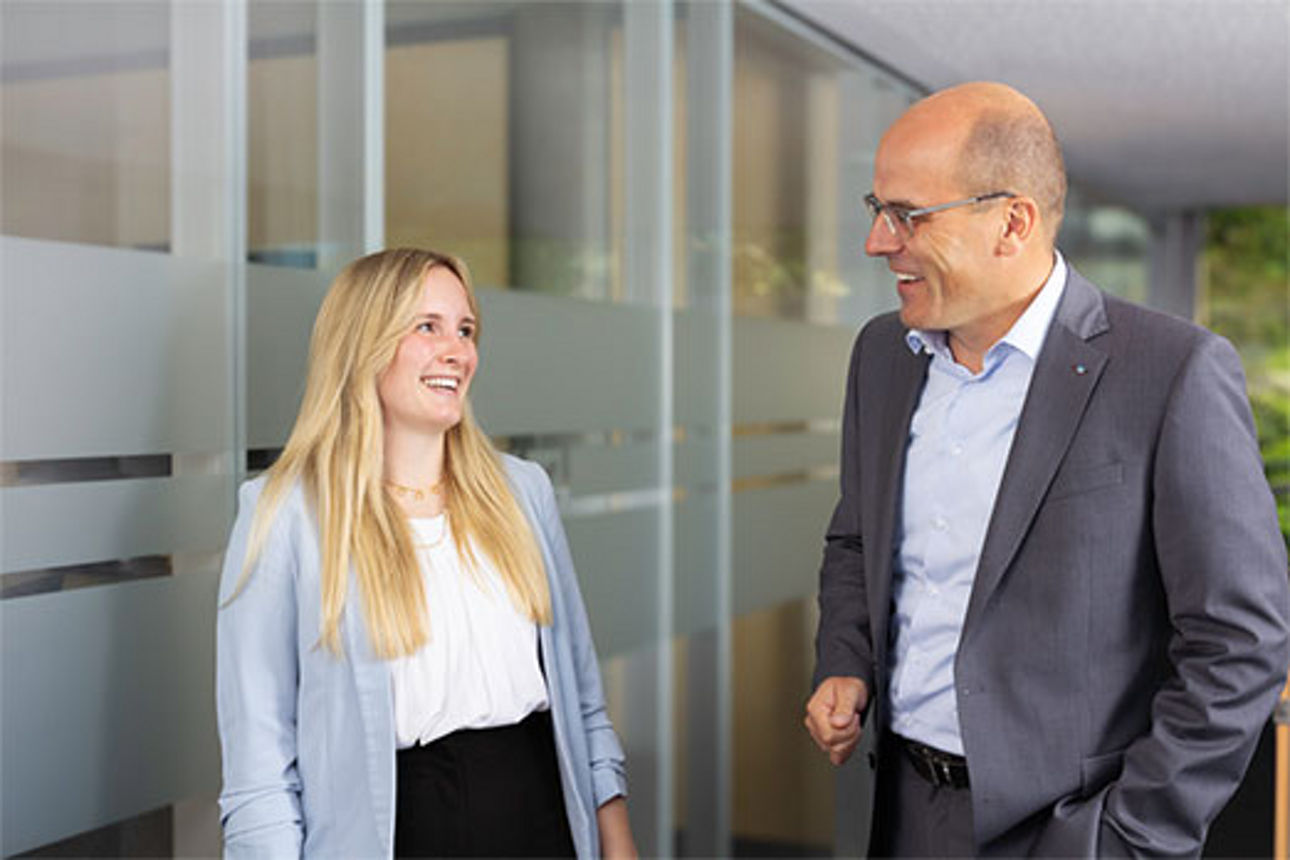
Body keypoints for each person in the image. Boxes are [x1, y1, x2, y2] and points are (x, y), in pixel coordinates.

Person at [804, 81, 1290, 856]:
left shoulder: (1172, 372)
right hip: (897, 810)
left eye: (908, 216)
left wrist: (1127, 836)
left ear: (1012, 222)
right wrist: (846, 661)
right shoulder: (880, 358)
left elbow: (1242, 642)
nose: (876, 241)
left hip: (1073, 829)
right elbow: (856, 544)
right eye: (877, 207)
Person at [217, 248, 637, 858]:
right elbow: (260, 768)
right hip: (399, 833)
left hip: (540, 818)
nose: (457, 351)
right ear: (364, 342)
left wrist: (618, 844)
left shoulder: (522, 492)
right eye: (427, 327)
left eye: (465, 330)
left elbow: (584, 701)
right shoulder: (285, 514)